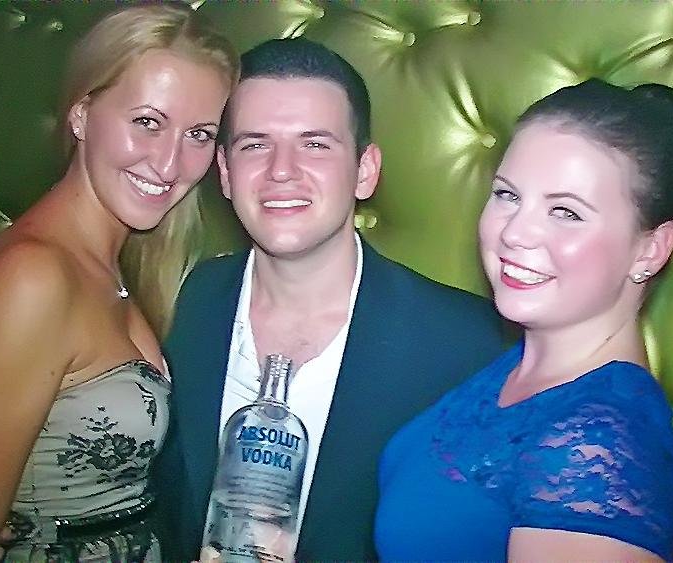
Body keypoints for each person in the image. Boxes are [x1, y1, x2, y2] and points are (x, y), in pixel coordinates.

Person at [156, 38, 504, 562]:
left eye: (315, 144)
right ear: (225, 172)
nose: (281, 170)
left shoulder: (469, 348)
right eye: (255, 145)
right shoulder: (177, 303)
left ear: (365, 171)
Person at [0, 5, 237, 561]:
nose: (169, 163)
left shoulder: (122, 264)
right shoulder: (33, 277)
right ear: (82, 114)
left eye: (199, 134)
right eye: (147, 122)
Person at [374, 78, 673, 562]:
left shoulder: (601, 445)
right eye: (508, 195)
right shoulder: (519, 366)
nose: (515, 232)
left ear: (650, 249)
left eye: (566, 212)